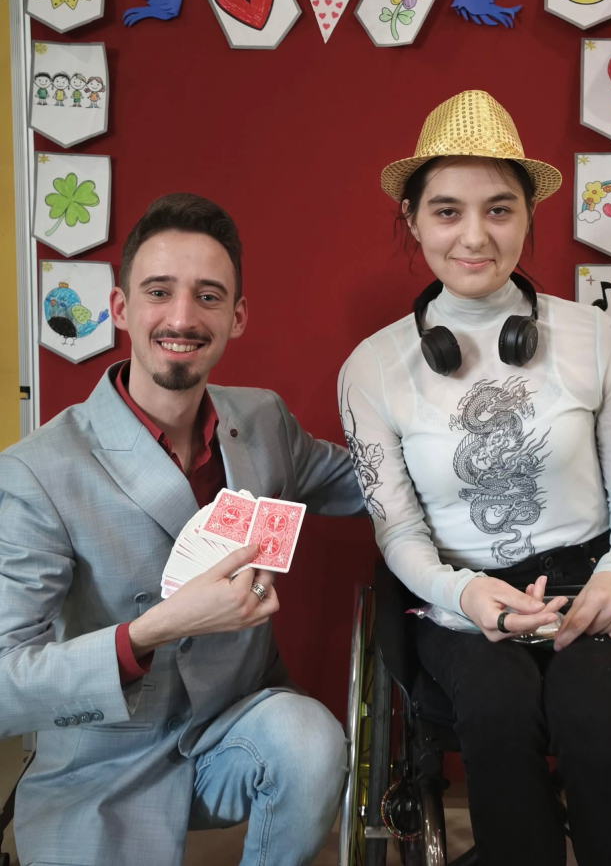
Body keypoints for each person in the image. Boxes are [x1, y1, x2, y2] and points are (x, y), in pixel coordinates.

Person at [338, 91, 611, 866]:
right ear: (412, 220)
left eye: (498, 209)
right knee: (495, 702)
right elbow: (398, 528)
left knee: (590, 704)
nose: (474, 235)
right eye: (446, 211)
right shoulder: (370, 369)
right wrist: (462, 594)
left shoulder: (596, 339)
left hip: (594, 578)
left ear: (527, 216)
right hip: (458, 596)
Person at [0, 194, 364, 866]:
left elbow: (370, 483)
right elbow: (4, 685)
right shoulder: (36, 471)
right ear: (119, 308)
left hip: (233, 733)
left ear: (237, 316)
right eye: (159, 292)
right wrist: (152, 631)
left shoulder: (263, 421)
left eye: (208, 296)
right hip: (103, 762)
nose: (182, 318)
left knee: (312, 739)